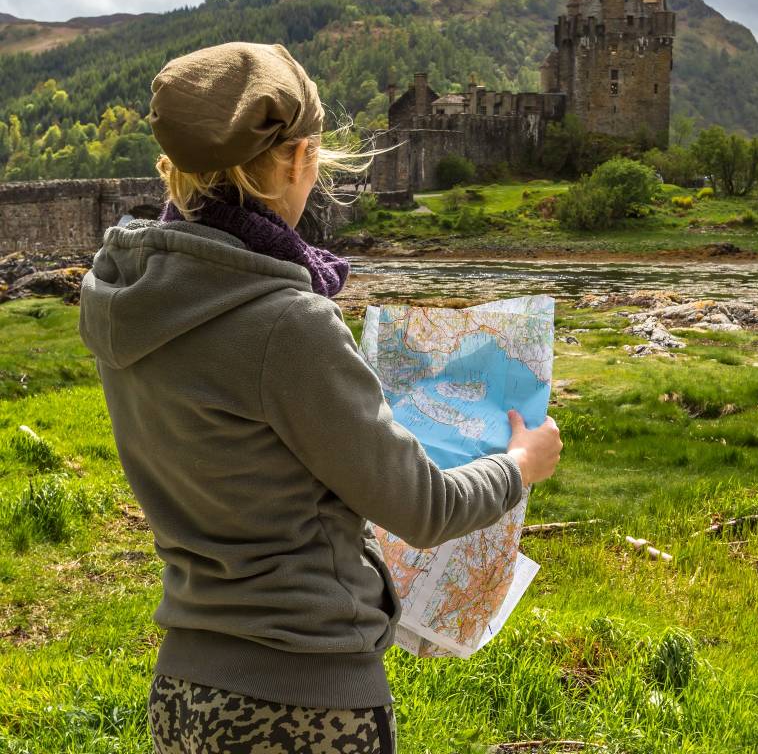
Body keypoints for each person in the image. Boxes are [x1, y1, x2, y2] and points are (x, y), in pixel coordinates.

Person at [78, 41, 563, 754]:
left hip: (182, 694)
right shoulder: (287, 324)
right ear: (298, 159)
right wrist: (520, 464)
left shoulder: (126, 300)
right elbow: (424, 509)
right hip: (303, 705)